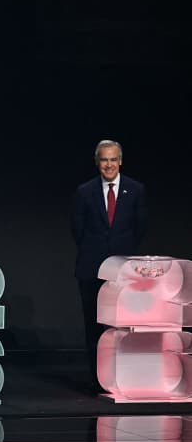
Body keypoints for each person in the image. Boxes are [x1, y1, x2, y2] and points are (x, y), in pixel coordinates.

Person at [71, 139, 146, 392]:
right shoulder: (85, 191)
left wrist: (120, 257)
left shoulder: (135, 190)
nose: (109, 164)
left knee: (122, 327)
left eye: (113, 159)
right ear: (97, 162)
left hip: (123, 271)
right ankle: (98, 381)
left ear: (120, 161)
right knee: (94, 328)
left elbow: (139, 229)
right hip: (91, 268)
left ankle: (123, 378)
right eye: (104, 159)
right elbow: (78, 230)